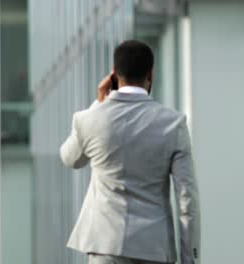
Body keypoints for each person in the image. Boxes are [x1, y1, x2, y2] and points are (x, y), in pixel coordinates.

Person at [59, 40, 200, 264]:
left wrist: (98, 103)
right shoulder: (173, 124)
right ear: (150, 74)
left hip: (105, 248)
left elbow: (69, 158)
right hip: (154, 248)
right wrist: (189, 260)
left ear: (114, 75)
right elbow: (187, 201)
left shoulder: (89, 119)